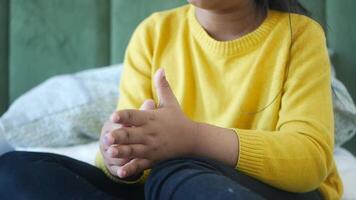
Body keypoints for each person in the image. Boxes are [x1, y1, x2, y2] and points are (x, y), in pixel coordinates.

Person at [0, 0, 343, 199]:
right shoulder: (153, 33)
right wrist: (117, 153)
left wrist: (192, 139)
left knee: (176, 172)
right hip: (163, 189)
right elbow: (129, 169)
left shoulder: (299, 36)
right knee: (16, 169)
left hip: (270, 191)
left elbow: (309, 162)